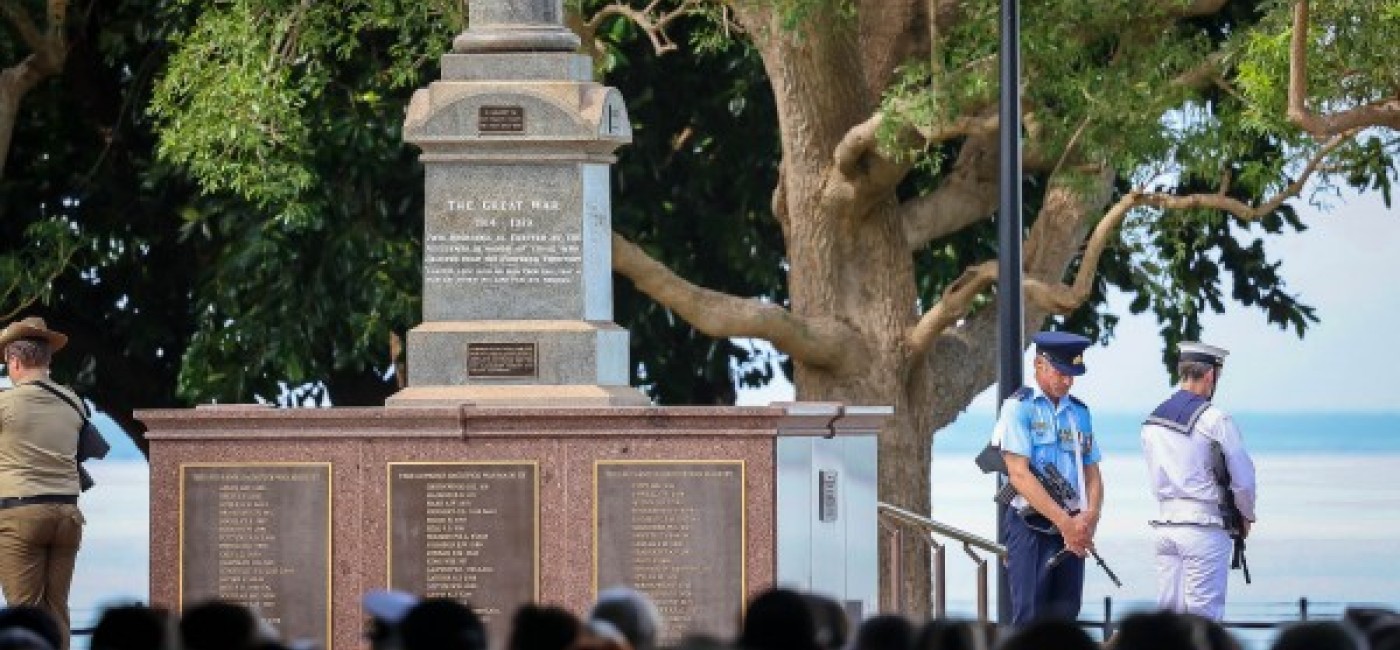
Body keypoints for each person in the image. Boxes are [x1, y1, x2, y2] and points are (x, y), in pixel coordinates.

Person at [991, 330, 1103, 624]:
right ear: (1039, 364)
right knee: (1031, 618)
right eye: (1061, 372)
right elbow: (1019, 474)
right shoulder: (1019, 408)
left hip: (1072, 526)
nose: (1067, 381)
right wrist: (1066, 523)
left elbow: (1092, 473)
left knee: (1066, 615)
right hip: (1031, 526)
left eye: (1072, 374)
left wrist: (1090, 517)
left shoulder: (1079, 412)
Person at [1141, 341, 1256, 621]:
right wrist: (1246, 515)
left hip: (1166, 524)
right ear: (1210, 376)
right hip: (1203, 527)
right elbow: (1243, 477)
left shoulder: (1153, 420)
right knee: (1204, 622)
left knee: (1168, 622)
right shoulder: (1215, 419)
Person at [0, 318, 87, 648]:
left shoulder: (5, 403)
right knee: (56, 611)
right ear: (47, 360)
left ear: (16, 361)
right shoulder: (73, 401)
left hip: (20, 514)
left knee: (24, 613)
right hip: (67, 514)